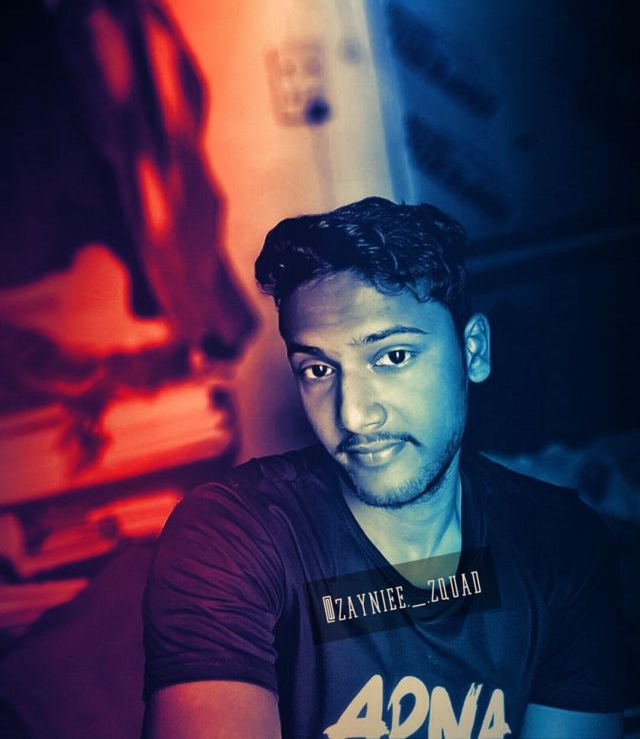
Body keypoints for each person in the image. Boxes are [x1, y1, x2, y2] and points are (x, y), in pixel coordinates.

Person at [142, 197, 623, 738]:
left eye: (392, 356)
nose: (353, 415)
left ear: (473, 351)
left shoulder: (561, 546)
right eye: (318, 369)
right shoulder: (231, 534)